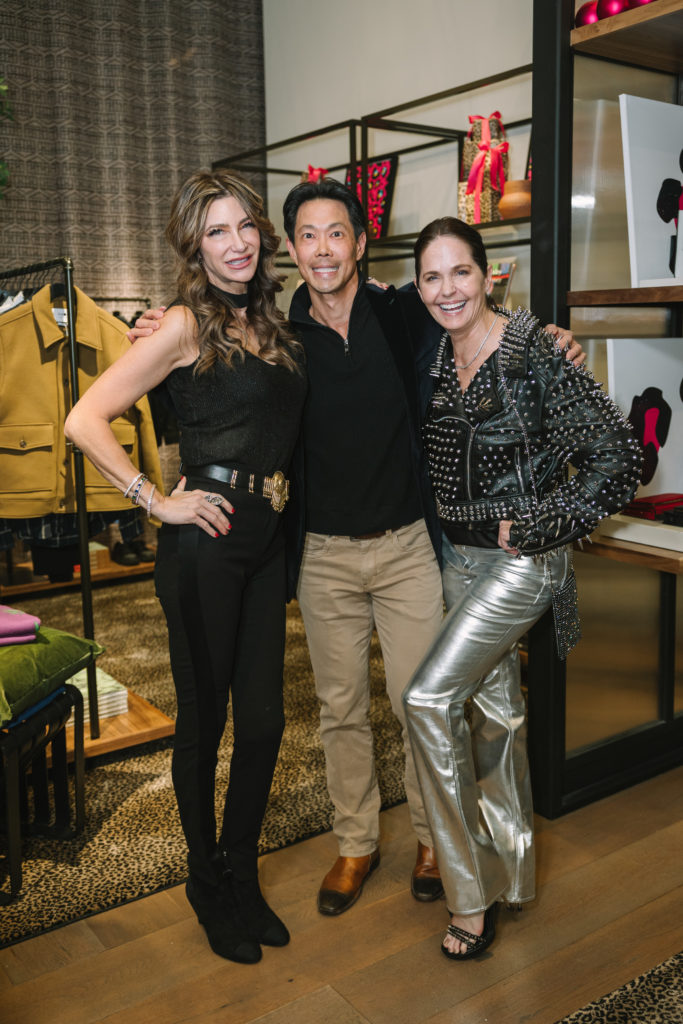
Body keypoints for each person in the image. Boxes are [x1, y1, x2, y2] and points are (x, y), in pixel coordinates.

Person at [130, 177, 584, 919]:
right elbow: (197, 390)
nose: (322, 249)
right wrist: (155, 329)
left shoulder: (401, 313)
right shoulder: (273, 332)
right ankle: (355, 841)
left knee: (421, 704)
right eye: (306, 235)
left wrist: (545, 336)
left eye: (335, 232)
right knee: (340, 710)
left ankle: (436, 839)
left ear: (360, 242)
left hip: (407, 544)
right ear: (291, 249)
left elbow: (471, 313)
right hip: (320, 553)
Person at [65, 170, 307, 965]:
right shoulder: (182, 325)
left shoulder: (271, 323)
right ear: (193, 248)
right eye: (215, 232)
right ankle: (206, 880)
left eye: (243, 226)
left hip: (265, 539)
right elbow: (83, 417)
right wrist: (151, 500)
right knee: (207, 721)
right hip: (203, 538)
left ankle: (241, 868)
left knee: (266, 720)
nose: (235, 243)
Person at [402, 216, 642, 961]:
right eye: (431, 277)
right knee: (496, 719)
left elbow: (621, 457)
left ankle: (468, 899)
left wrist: (542, 519)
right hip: (457, 560)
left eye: (460, 273)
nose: (447, 290)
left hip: (521, 564)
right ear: (418, 288)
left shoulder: (534, 351)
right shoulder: (434, 359)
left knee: (426, 699)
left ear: (487, 275)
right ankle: (513, 876)